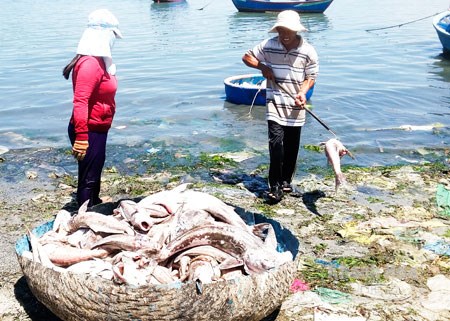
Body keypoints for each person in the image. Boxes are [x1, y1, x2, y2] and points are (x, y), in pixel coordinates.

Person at [242, 10, 319, 204]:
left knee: (292, 147)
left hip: (295, 105)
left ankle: (286, 181)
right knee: (276, 144)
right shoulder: (269, 45)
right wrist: (263, 67)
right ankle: (274, 186)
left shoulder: (308, 50)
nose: (285, 34)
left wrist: (302, 93)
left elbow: (311, 77)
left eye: (289, 30)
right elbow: (246, 57)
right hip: (274, 103)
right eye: (281, 29)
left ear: (297, 30)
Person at [62, 9, 123, 208]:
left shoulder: (99, 61)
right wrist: (81, 137)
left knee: (94, 171)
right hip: (88, 129)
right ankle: (85, 214)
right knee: (89, 176)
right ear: (102, 36)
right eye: (112, 35)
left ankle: (94, 203)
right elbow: (80, 101)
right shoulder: (90, 64)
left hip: (98, 128)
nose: (113, 40)